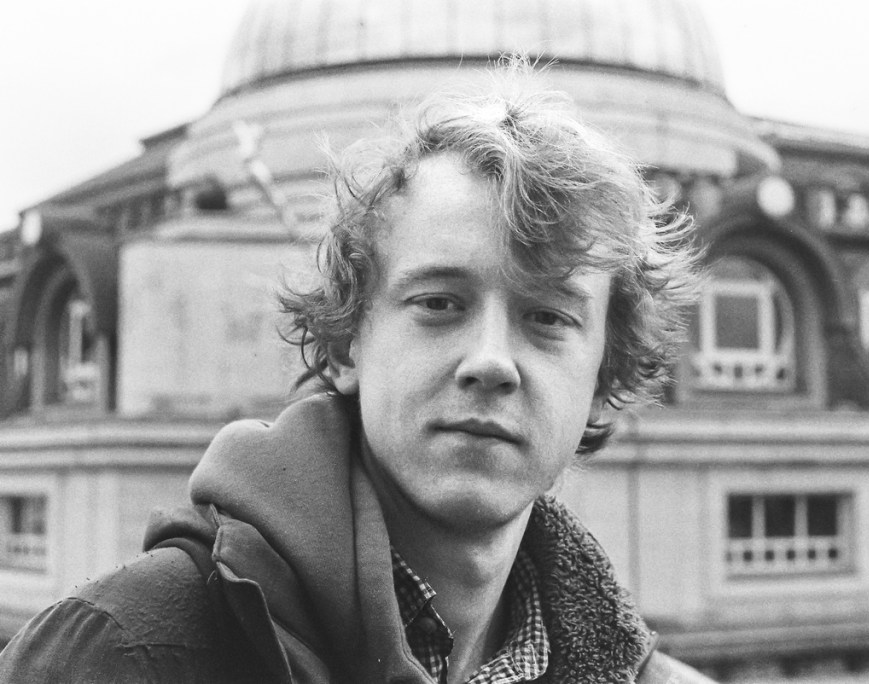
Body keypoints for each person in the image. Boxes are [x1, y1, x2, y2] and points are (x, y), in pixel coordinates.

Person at [0, 60, 711, 683]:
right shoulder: (118, 653)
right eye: (439, 303)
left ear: (603, 377)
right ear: (346, 346)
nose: (491, 362)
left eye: (549, 317)